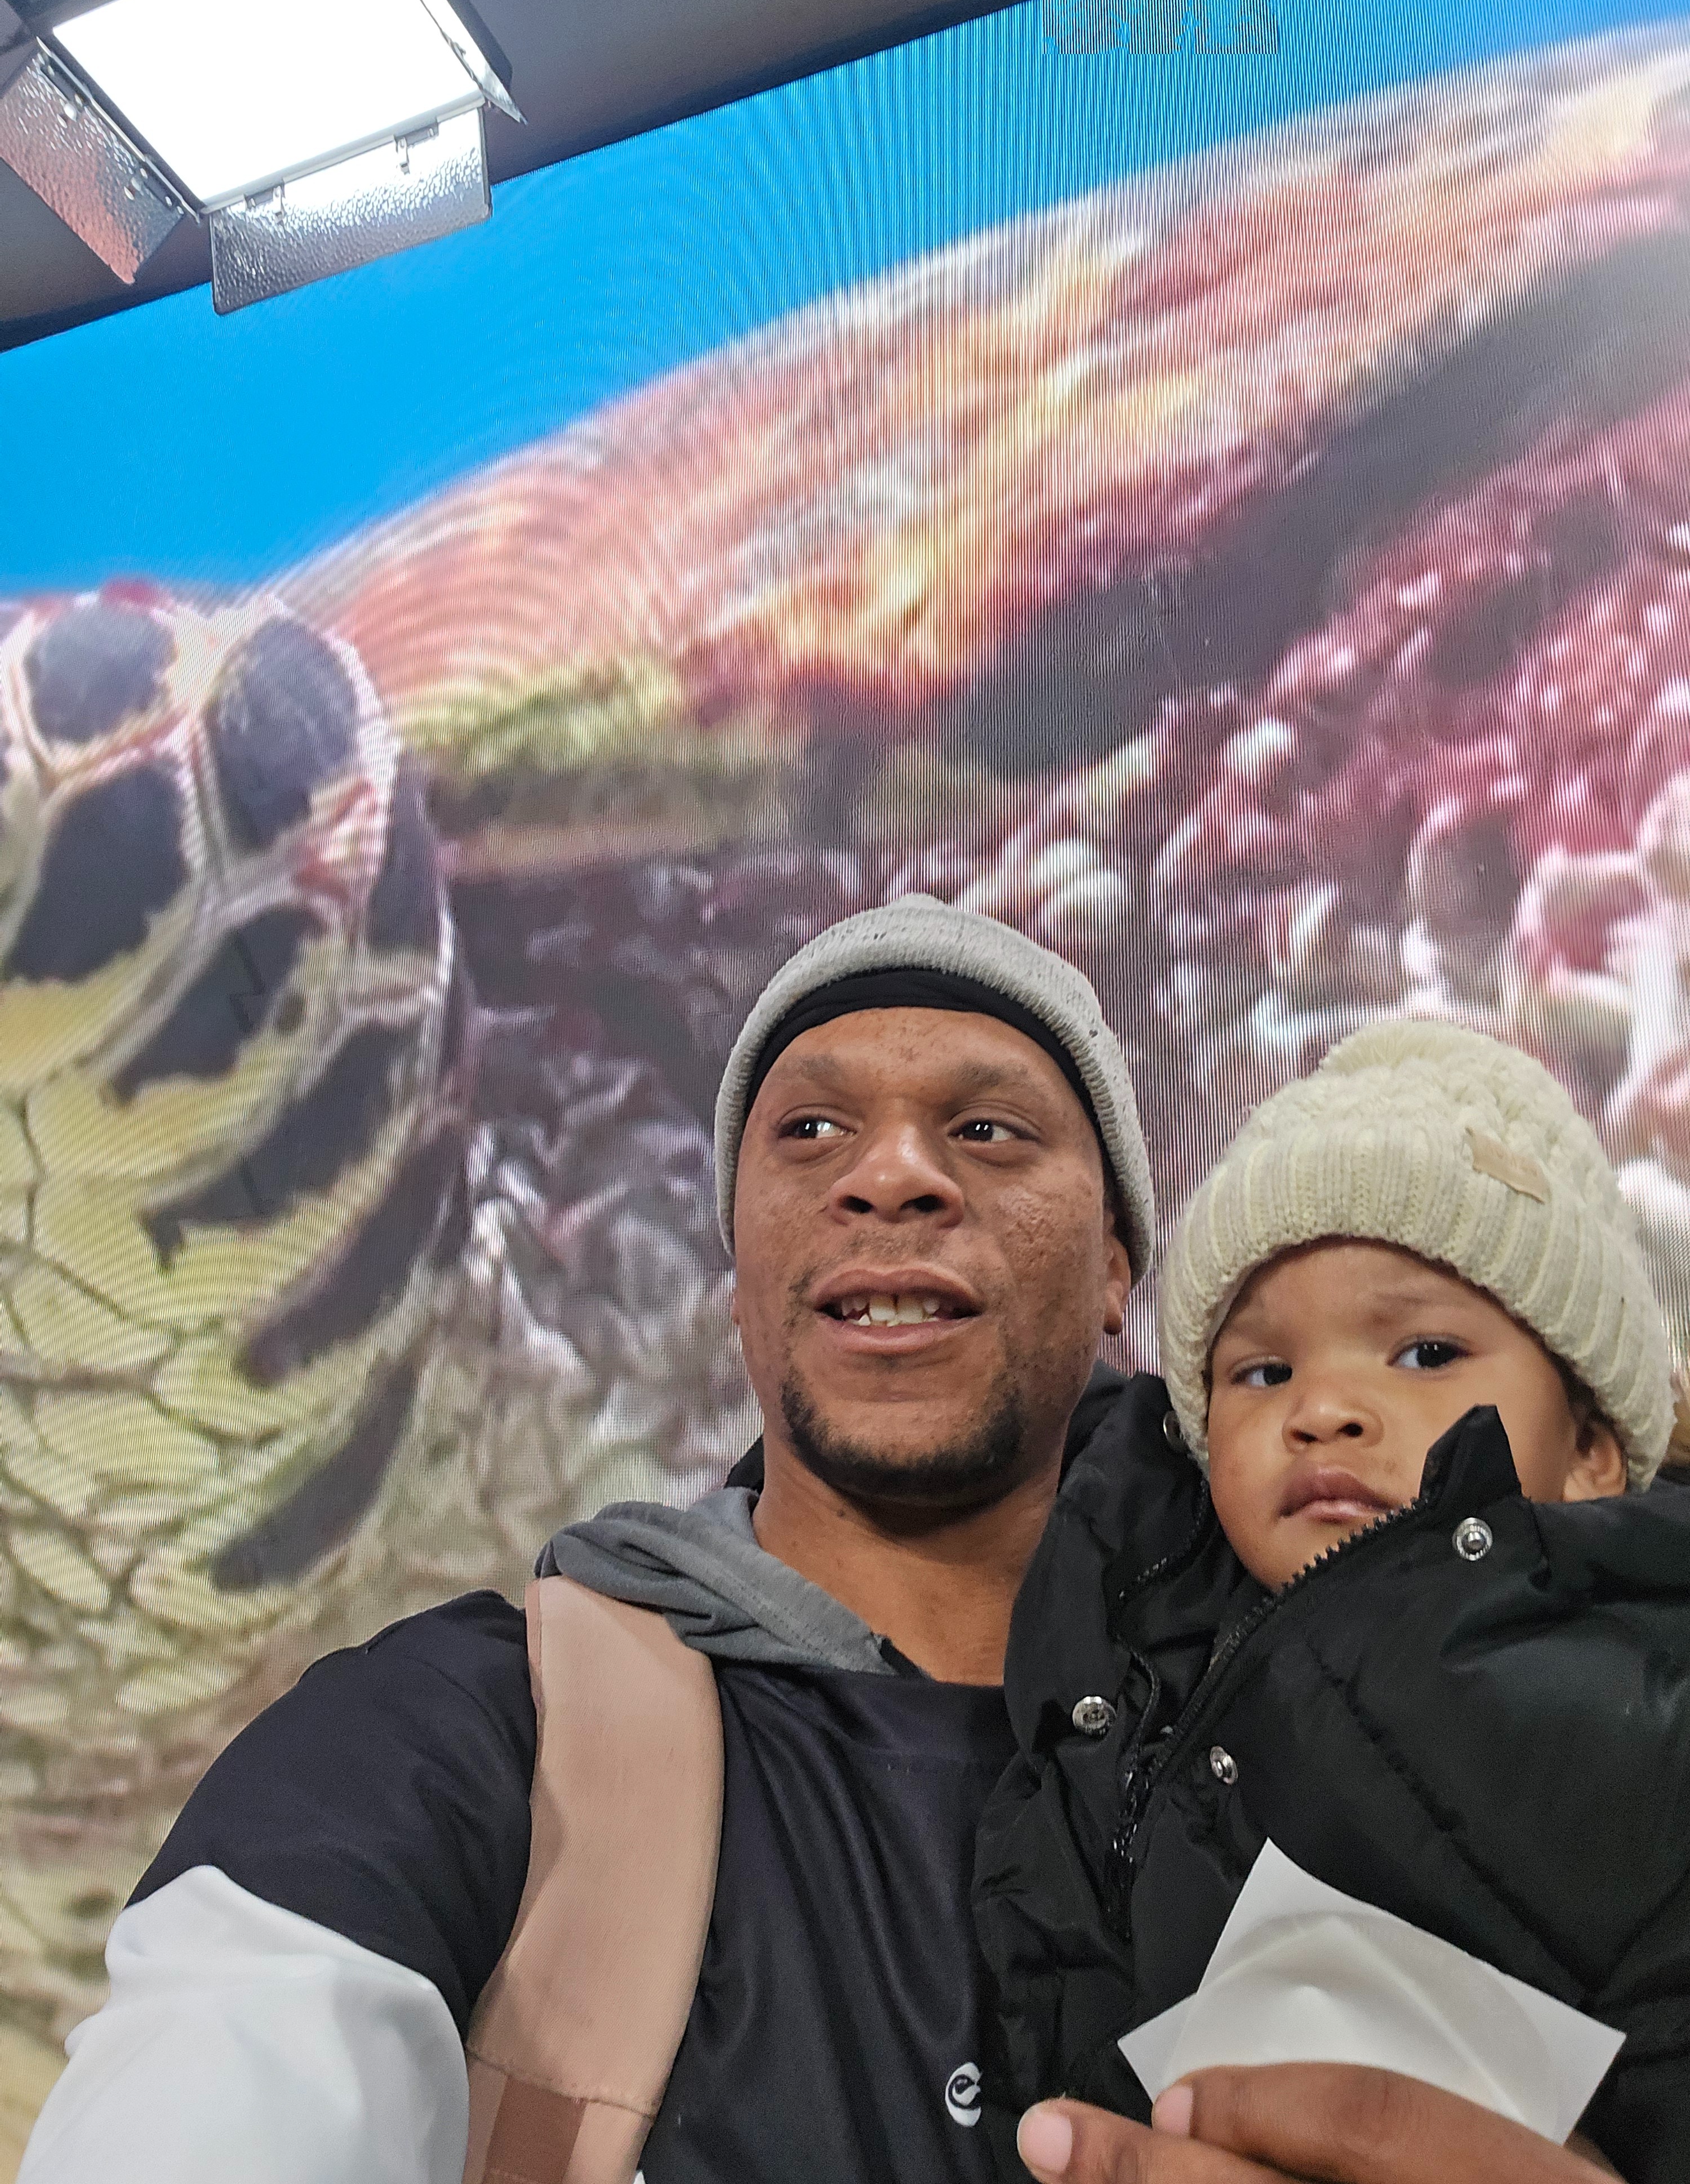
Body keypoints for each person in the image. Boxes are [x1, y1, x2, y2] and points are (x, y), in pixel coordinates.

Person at [19, 903, 1630, 2184]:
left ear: (1118, 1268)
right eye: (807, 1133)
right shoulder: (456, 1742)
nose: (893, 1175)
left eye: (987, 1130)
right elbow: (227, 2071)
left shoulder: (1426, 1723)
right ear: (737, 1276)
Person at [976, 1018, 1690, 2182]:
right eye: (1263, 1372)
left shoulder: (1648, 1688)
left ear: (1595, 1450)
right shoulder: (1114, 1659)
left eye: (1426, 1354)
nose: (1322, 1409)